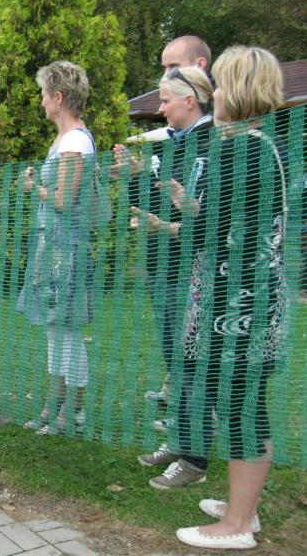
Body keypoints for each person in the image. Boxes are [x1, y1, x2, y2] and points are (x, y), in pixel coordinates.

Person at [135, 47, 286, 550]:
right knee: (245, 403)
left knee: (240, 407)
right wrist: (192, 206)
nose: (214, 94)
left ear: (236, 91)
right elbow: (233, 223)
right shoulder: (261, 145)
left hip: (238, 307)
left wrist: (179, 219)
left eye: (220, 85)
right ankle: (245, 508)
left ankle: (237, 525)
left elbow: (211, 235)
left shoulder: (238, 149)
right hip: (251, 300)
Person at [132, 67, 215, 489]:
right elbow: (157, 201)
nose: (161, 109)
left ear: (190, 100)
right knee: (177, 362)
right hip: (164, 266)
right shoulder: (174, 144)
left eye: (166, 100)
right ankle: (181, 442)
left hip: (192, 271)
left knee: (192, 363)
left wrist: (167, 225)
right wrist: (136, 177)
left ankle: (194, 459)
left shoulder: (212, 144)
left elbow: (208, 218)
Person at [17, 61, 99, 436]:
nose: (41, 102)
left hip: (66, 251)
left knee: (66, 330)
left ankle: (72, 411)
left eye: (44, 94)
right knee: (56, 329)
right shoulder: (64, 141)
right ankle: (56, 405)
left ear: (59, 97)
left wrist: (34, 188)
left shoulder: (75, 142)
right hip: (54, 248)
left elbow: (65, 200)